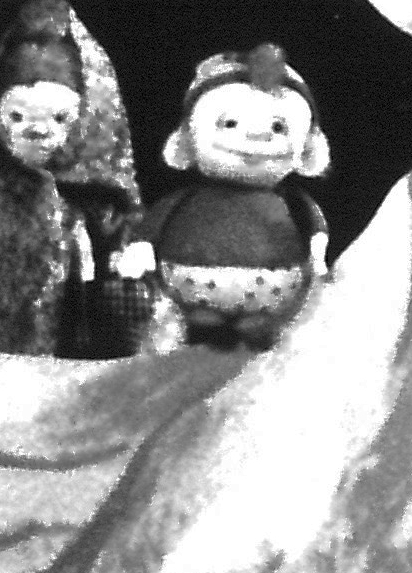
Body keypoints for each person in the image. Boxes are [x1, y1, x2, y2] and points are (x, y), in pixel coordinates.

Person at [0, 0, 142, 357]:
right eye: (16, 117)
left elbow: (126, 247)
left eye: (59, 118)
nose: (37, 130)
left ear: (87, 117)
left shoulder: (104, 199)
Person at [112, 46, 331, 354]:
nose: (256, 136)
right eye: (229, 123)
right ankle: (204, 326)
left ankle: (257, 325)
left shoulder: (294, 202)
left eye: (278, 127)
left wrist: (318, 256)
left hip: (272, 295)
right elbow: (154, 226)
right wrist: (141, 247)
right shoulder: (186, 198)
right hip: (192, 291)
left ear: (306, 145)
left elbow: (314, 228)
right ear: (189, 136)